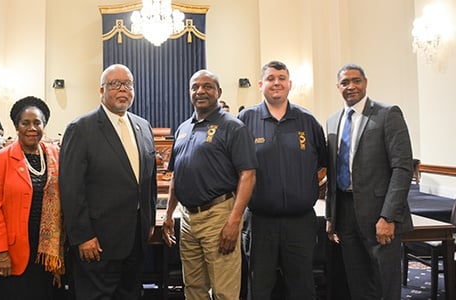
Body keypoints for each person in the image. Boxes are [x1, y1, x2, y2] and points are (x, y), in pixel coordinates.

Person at [59, 64, 157, 299]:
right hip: (98, 242)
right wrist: (82, 236)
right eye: (114, 84)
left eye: (128, 84)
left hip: (135, 239)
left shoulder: (143, 126)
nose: (122, 89)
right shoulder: (81, 128)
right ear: (101, 90)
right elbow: (71, 188)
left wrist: (149, 220)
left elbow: (148, 180)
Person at [162, 69, 257, 300]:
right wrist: (168, 214)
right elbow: (177, 174)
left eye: (207, 86)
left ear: (218, 92)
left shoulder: (233, 127)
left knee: (224, 291)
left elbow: (248, 175)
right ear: (189, 92)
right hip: (187, 220)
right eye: (195, 87)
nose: (200, 91)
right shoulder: (184, 128)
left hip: (219, 216)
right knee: (193, 289)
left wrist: (234, 221)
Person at [237, 61, 328, 299]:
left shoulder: (307, 121)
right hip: (259, 222)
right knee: (258, 288)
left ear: (290, 84)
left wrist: (307, 187)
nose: (276, 82)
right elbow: (234, 166)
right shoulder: (245, 120)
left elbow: (324, 163)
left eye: (281, 78)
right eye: (270, 78)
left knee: (302, 287)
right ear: (260, 84)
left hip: (300, 222)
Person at [325, 64, 413, 300]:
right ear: (338, 87)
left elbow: (402, 168)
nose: (351, 86)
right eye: (345, 83)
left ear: (365, 82)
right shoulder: (333, 122)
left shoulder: (387, 114)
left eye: (356, 81)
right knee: (358, 283)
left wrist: (388, 217)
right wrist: (330, 216)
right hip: (345, 214)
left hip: (379, 216)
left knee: (384, 283)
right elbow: (333, 174)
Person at [0, 96, 67, 299]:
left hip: (48, 250)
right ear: (16, 126)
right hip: (13, 252)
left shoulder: (57, 155)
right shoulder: (0, 159)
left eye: (37, 123)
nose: (32, 128)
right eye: (25, 123)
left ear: (44, 126)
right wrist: (1, 252)